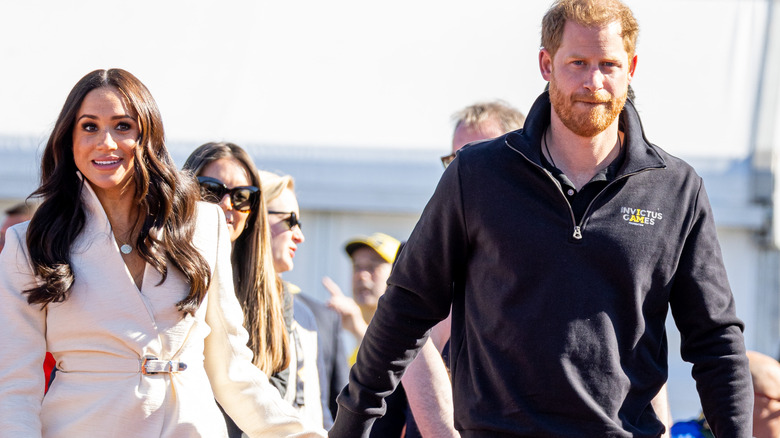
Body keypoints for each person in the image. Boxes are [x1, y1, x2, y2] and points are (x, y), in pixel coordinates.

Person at [329, 1, 753, 436]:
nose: (594, 82)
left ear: (632, 67)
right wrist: (350, 428)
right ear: (546, 64)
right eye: (578, 63)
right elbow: (406, 308)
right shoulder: (478, 175)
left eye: (609, 64)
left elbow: (715, 342)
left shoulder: (676, 189)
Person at [0, 68, 323, 437]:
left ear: (148, 136)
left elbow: (233, 371)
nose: (105, 142)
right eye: (89, 126)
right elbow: (14, 387)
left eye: (123, 126)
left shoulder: (204, 225)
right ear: (69, 139)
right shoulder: (30, 243)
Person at [182, 142, 298, 435]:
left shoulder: (273, 292)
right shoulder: (159, 273)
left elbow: (276, 384)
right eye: (210, 191)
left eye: (242, 197)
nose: (227, 206)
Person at [257, 170, 325, 428]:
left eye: (300, 224)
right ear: (254, 218)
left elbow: (316, 409)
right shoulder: (215, 303)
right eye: (290, 221)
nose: (299, 235)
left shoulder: (304, 314)